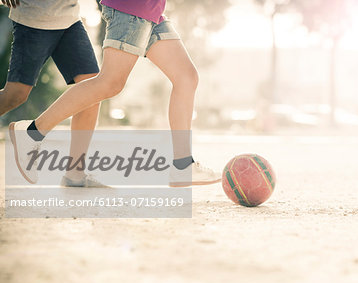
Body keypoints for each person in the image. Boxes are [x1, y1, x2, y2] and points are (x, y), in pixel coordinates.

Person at [8, 0, 221, 187]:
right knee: (110, 83)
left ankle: (183, 165)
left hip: (151, 10)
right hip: (131, 9)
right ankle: (32, 132)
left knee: (186, 77)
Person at [1, 0, 107, 187]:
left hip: (70, 19)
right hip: (33, 19)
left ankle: (75, 173)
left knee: (92, 87)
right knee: (15, 95)